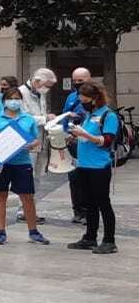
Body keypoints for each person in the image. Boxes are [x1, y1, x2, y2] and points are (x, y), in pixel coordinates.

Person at [0, 90, 49, 246]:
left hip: (22, 162)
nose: (14, 101)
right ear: (4, 101)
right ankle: (1, 232)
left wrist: (31, 144)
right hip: (0, 162)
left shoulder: (27, 118)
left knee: (27, 197)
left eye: (17, 99)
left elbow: (35, 139)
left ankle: (33, 231)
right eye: (11, 98)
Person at [66, 80, 119, 254]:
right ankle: (90, 237)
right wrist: (76, 136)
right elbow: (87, 137)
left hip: (99, 166)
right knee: (88, 203)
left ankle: (109, 240)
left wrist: (85, 134)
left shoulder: (108, 116)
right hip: (84, 164)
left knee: (103, 202)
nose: (82, 102)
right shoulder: (90, 115)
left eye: (85, 99)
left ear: (95, 98)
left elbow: (107, 141)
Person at [63, 66, 93, 224]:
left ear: (89, 79)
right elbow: (64, 117)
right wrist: (66, 132)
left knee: (88, 177)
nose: (77, 84)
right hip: (72, 142)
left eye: (80, 81)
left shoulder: (96, 97)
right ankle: (78, 210)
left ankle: (90, 212)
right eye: (74, 81)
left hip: (88, 142)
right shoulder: (71, 97)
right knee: (74, 177)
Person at [20, 67, 55, 207]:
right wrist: (44, 118)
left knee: (37, 176)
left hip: (40, 140)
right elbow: (22, 118)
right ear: (37, 81)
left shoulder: (40, 93)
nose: (47, 89)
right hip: (29, 141)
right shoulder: (21, 93)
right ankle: (23, 210)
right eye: (47, 86)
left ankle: (31, 208)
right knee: (28, 175)